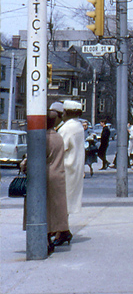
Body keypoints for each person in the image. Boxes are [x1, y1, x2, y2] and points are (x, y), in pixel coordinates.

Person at [23, 104, 71, 251]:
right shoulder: (58, 137)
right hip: (58, 175)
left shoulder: (41, 138)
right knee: (55, 209)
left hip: (44, 177)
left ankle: (45, 240)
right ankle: (59, 233)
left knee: (41, 209)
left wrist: (24, 164)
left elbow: (34, 160)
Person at [59, 100, 86, 224]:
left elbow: (59, 148)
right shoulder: (78, 125)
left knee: (61, 202)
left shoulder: (67, 128)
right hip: (75, 167)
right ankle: (62, 229)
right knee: (68, 201)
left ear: (67, 113)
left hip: (66, 167)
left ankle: (61, 230)